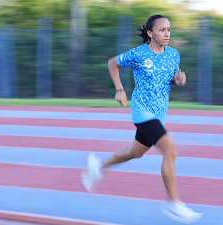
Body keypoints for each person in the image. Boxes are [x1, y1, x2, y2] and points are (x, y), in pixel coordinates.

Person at [81, 14, 203, 224]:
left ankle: (97, 167)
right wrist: (120, 90)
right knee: (171, 151)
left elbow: (168, 81)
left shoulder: (173, 55)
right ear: (150, 33)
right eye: (162, 30)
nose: (167, 34)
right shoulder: (138, 54)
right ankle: (174, 204)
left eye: (169, 30)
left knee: (134, 153)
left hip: (159, 113)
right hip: (142, 111)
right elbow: (113, 63)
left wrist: (178, 80)